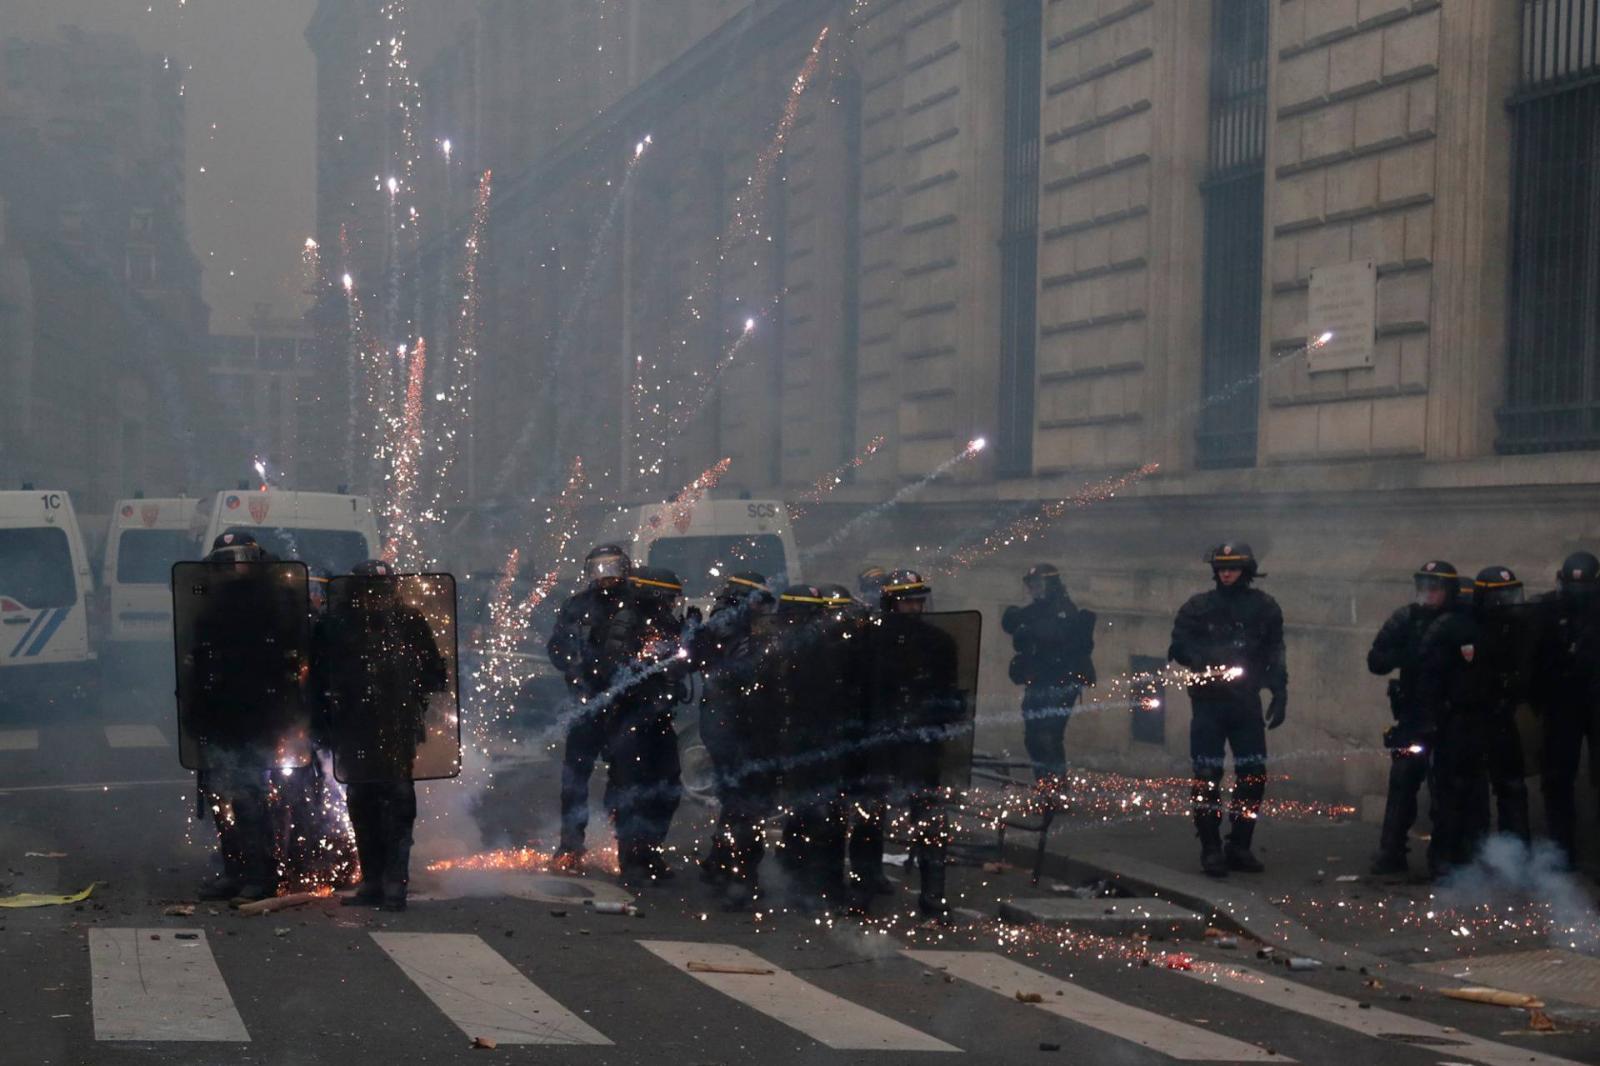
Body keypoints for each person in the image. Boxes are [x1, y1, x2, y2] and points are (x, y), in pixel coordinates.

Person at [316, 559, 448, 911]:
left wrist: (413, 695)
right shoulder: (336, 625)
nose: (376, 599)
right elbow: (317, 678)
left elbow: (435, 673)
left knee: (397, 803)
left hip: (395, 727)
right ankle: (374, 881)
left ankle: (394, 884)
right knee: (363, 803)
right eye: (369, 592)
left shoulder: (409, 622)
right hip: (354, 727)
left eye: (383, 591)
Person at [184, 532, 301, 903]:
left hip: (257, 719)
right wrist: (195, 712)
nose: (234, 569)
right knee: (221, 799)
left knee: (250, 798)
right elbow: (198, 667)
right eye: (226, 562)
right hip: (221, 719)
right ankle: (234, 872)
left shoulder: (276, 604)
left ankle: (261, 876)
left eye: (240, 560)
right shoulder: (210, 608)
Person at [1167, 543, 1287, 878]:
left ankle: (1240, 845)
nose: (1226, 573)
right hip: (1208, 703)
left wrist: (1280, 689)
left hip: (1246, 702)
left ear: (1246, 570)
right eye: (1221, 567)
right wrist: (1197, 657)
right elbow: (1178, 644)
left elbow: (1275, 650)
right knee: (1207, 777)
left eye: (1233, 567)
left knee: (1252, 776)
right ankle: (1210, 848)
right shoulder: (1198, 606)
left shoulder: (1264, 607)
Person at [862, 570, 965, 920]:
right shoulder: (869, 641)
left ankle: (933, 895)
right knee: (869, 814)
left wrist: (947, 710)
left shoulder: (939, 642)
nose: (916, 606)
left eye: (919, 600)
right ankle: (866, 883)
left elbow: (949, 693)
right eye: (909, 600)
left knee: (930, 820)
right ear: (892, 602)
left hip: (919, 744)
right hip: (878, 742)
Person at [1418, 566, 1532, 874]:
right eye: (1500, 597)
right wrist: (1432, 718)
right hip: (1462, 721)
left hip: (1498, 716)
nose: (1508, 604)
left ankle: (1514, 860)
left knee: (1511, 786)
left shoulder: (1515, 629)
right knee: (1459, 789)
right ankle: (1451, 859)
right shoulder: (1458, 628)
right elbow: (1431, 676)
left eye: (1511, 595)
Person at [545, 544, 639, 869]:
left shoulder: (639, 602)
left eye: (612, 568)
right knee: (574, 778)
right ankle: (571, 844)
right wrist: (574, 667)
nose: (606, 577)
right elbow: (556, 646)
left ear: (625, 568)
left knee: (626, 778)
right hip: (586, 704)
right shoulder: (577, 605)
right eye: (600, 569)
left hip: (626, 704)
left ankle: (627, 846)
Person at [1366, 561, 1459, 876]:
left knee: (1445, 789)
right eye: (1425, 586)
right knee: (1402, 782)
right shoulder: (1406, 618)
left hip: (1449, 718)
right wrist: (1404, 655)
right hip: (1413, 716)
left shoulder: (1460, 621)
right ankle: (1391, 852)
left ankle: (1442, 856)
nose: (1429, 593)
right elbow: (1375, 660)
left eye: (1436, 587)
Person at [694, 572, 776, 903]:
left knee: (734, 799)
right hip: (737, 724)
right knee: (747, 802)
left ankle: (719, 863)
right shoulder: (734, 630)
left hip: (723, 721)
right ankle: (738, 878)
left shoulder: (720, 623)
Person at [605, 566, 688, 886]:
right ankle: (631, 857)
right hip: (630, 719)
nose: (672, 604)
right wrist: (652, 669)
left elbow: (681, 665)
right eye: (669, 598)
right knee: (632, 787)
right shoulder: (627, 622)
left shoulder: (664, 623)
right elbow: (617, 668)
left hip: (657, 718)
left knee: (667, 786)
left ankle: (649, 851)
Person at [1534, 552, 1600, 870]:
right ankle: (1560, 854)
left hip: (1589, 702)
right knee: (1557, 779)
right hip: (1561, 703)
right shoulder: (1548, 609)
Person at [1001, 563, 1096, 786]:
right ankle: (1046, 787)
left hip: (1061, 681)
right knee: (1034, 737)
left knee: (1048, 735)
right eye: (1031, 584)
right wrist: (1017, 617)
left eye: (1038, 584)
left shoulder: (1064, 609)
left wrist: (1027, 628)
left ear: (1051, 585)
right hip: (1039, 681)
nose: (1034, 589)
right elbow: (1010, 623)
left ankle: (1055, 791)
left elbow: (1051, 636)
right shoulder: (1037, 609)